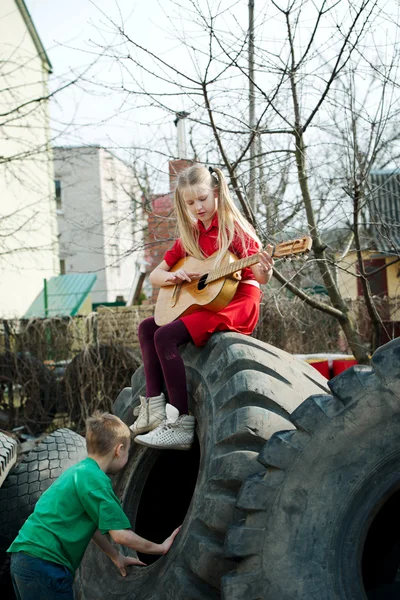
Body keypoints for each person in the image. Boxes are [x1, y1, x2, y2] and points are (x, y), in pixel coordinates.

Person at [132, 164, 274, 451]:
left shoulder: (235, 230)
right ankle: (154, 407)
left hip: (237, 303)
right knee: (148, 328)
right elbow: (156, 275)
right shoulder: (191, 236)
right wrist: (174, 276)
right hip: (208, 300)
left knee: (165, 336)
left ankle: (181, 423)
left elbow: (259, 277)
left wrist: (266, 271)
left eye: (202, 199)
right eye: (190, 203)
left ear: (217, 193)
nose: (198, 207)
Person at [8, 412, 180, 600]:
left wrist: (116, 557)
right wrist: (160, 548)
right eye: (128, 451)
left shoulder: (78, 471)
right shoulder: (96, 480)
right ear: (119, 450)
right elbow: (121, 535)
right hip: (46, 565)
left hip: (24, 559)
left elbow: (92, 528)